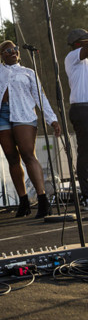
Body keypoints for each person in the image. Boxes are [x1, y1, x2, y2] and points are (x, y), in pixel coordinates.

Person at [0, 21, 61, 218]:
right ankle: (23, 201)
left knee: (27, 154)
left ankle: (42, 200)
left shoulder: (28, 72)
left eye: (14, 49)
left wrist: (52, 119)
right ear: (1, 55)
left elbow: (40, 96)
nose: (12, 51)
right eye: (7, 50)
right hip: (1, 115)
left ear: (18, 53)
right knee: (12, 157)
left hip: (23, 114)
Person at [65, 28, 88, 206]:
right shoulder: (72, 56)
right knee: (85, 152)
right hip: (82, 109)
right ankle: (86, 195)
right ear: (77, 43)